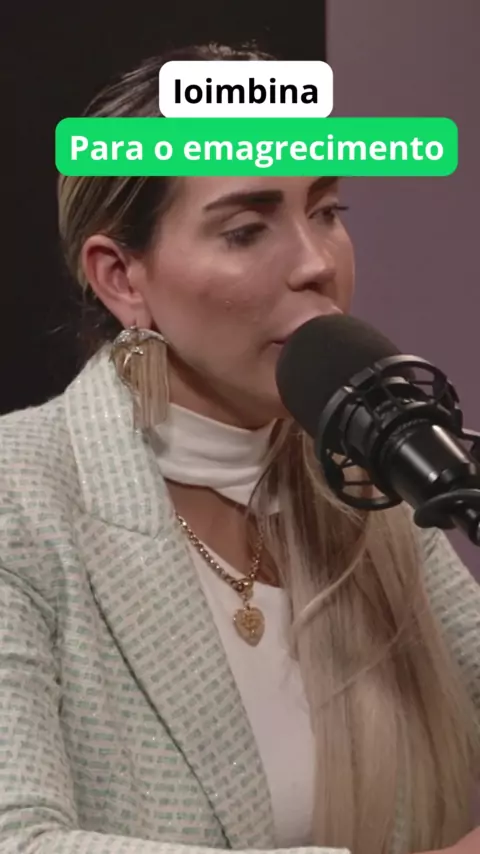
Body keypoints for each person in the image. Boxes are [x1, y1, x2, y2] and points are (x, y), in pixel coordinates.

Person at [0, 42, 478, 854]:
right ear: (122, 278)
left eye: (326, 211)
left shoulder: (369, 479)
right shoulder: (20, 499)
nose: (317, 263)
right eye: (247, 230)